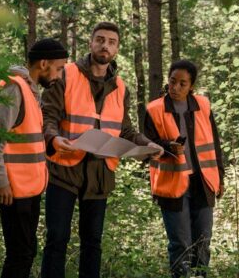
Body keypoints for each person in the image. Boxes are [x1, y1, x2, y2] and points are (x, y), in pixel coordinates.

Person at [40, 21, 163, 278]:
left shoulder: (120, 87)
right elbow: (48, 117)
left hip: (100, 174)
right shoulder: (66, 74)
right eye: (100, 39)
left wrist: (146, 144)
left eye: (111, 42)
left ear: (117, 49)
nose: (104, 45)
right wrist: (53, 139)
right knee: (56, 240)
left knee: (93, 243)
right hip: (64, 170)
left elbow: (125, 129)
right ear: (91, 42)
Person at [0, 38, 69, 278]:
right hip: (12, 190)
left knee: (26, 252)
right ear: (43, 64)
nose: (60, 75)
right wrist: (1, 183)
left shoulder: (29, 91)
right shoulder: (13, 88)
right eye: (59, 68)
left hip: (27, 189)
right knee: (20, 254)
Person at [144, 59, 225, 278]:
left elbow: (215, 144)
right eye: (172, 81)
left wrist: (221, 178)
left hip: (203, 182)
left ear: (191, 86)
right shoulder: (153, 109)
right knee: (180, 243)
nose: (176, 88)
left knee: (202, 242)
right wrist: (166, 146)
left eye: (182, 83)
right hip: (172, 186)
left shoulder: (203, 105)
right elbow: (145, 148)